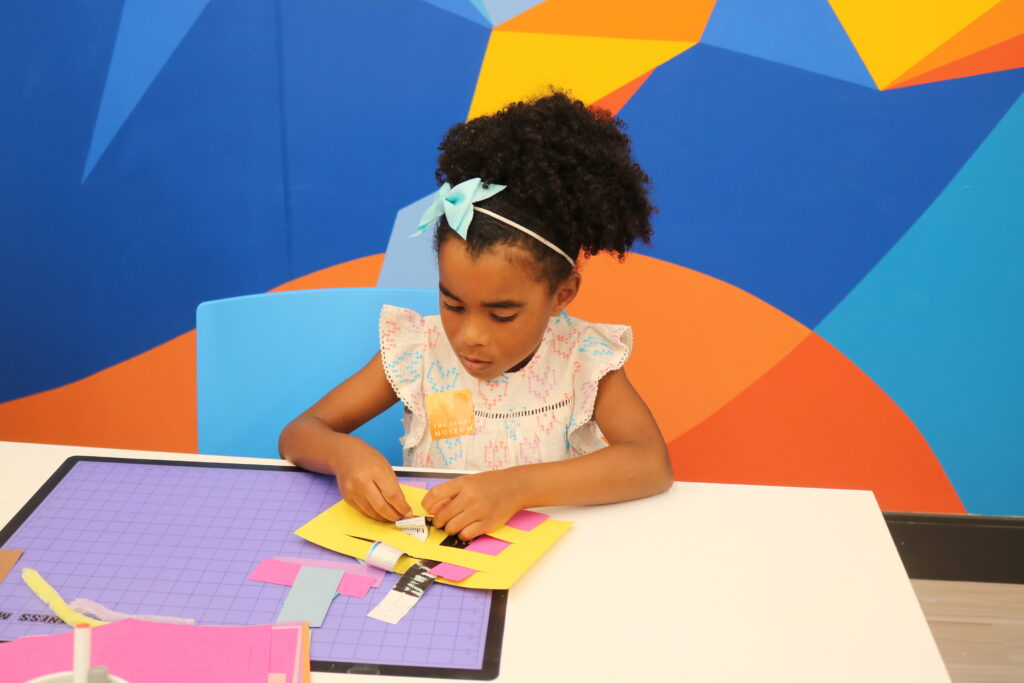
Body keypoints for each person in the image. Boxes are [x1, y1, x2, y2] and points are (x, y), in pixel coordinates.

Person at [279, 91, 672, 540]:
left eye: (502, 315)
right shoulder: (418, 351)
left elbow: (650, 462)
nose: (469, 335)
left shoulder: (582, 359)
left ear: (561, 294)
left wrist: (515, 487)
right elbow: (299, 433)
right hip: (436, 564)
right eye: (452, 304)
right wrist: (343, 454)